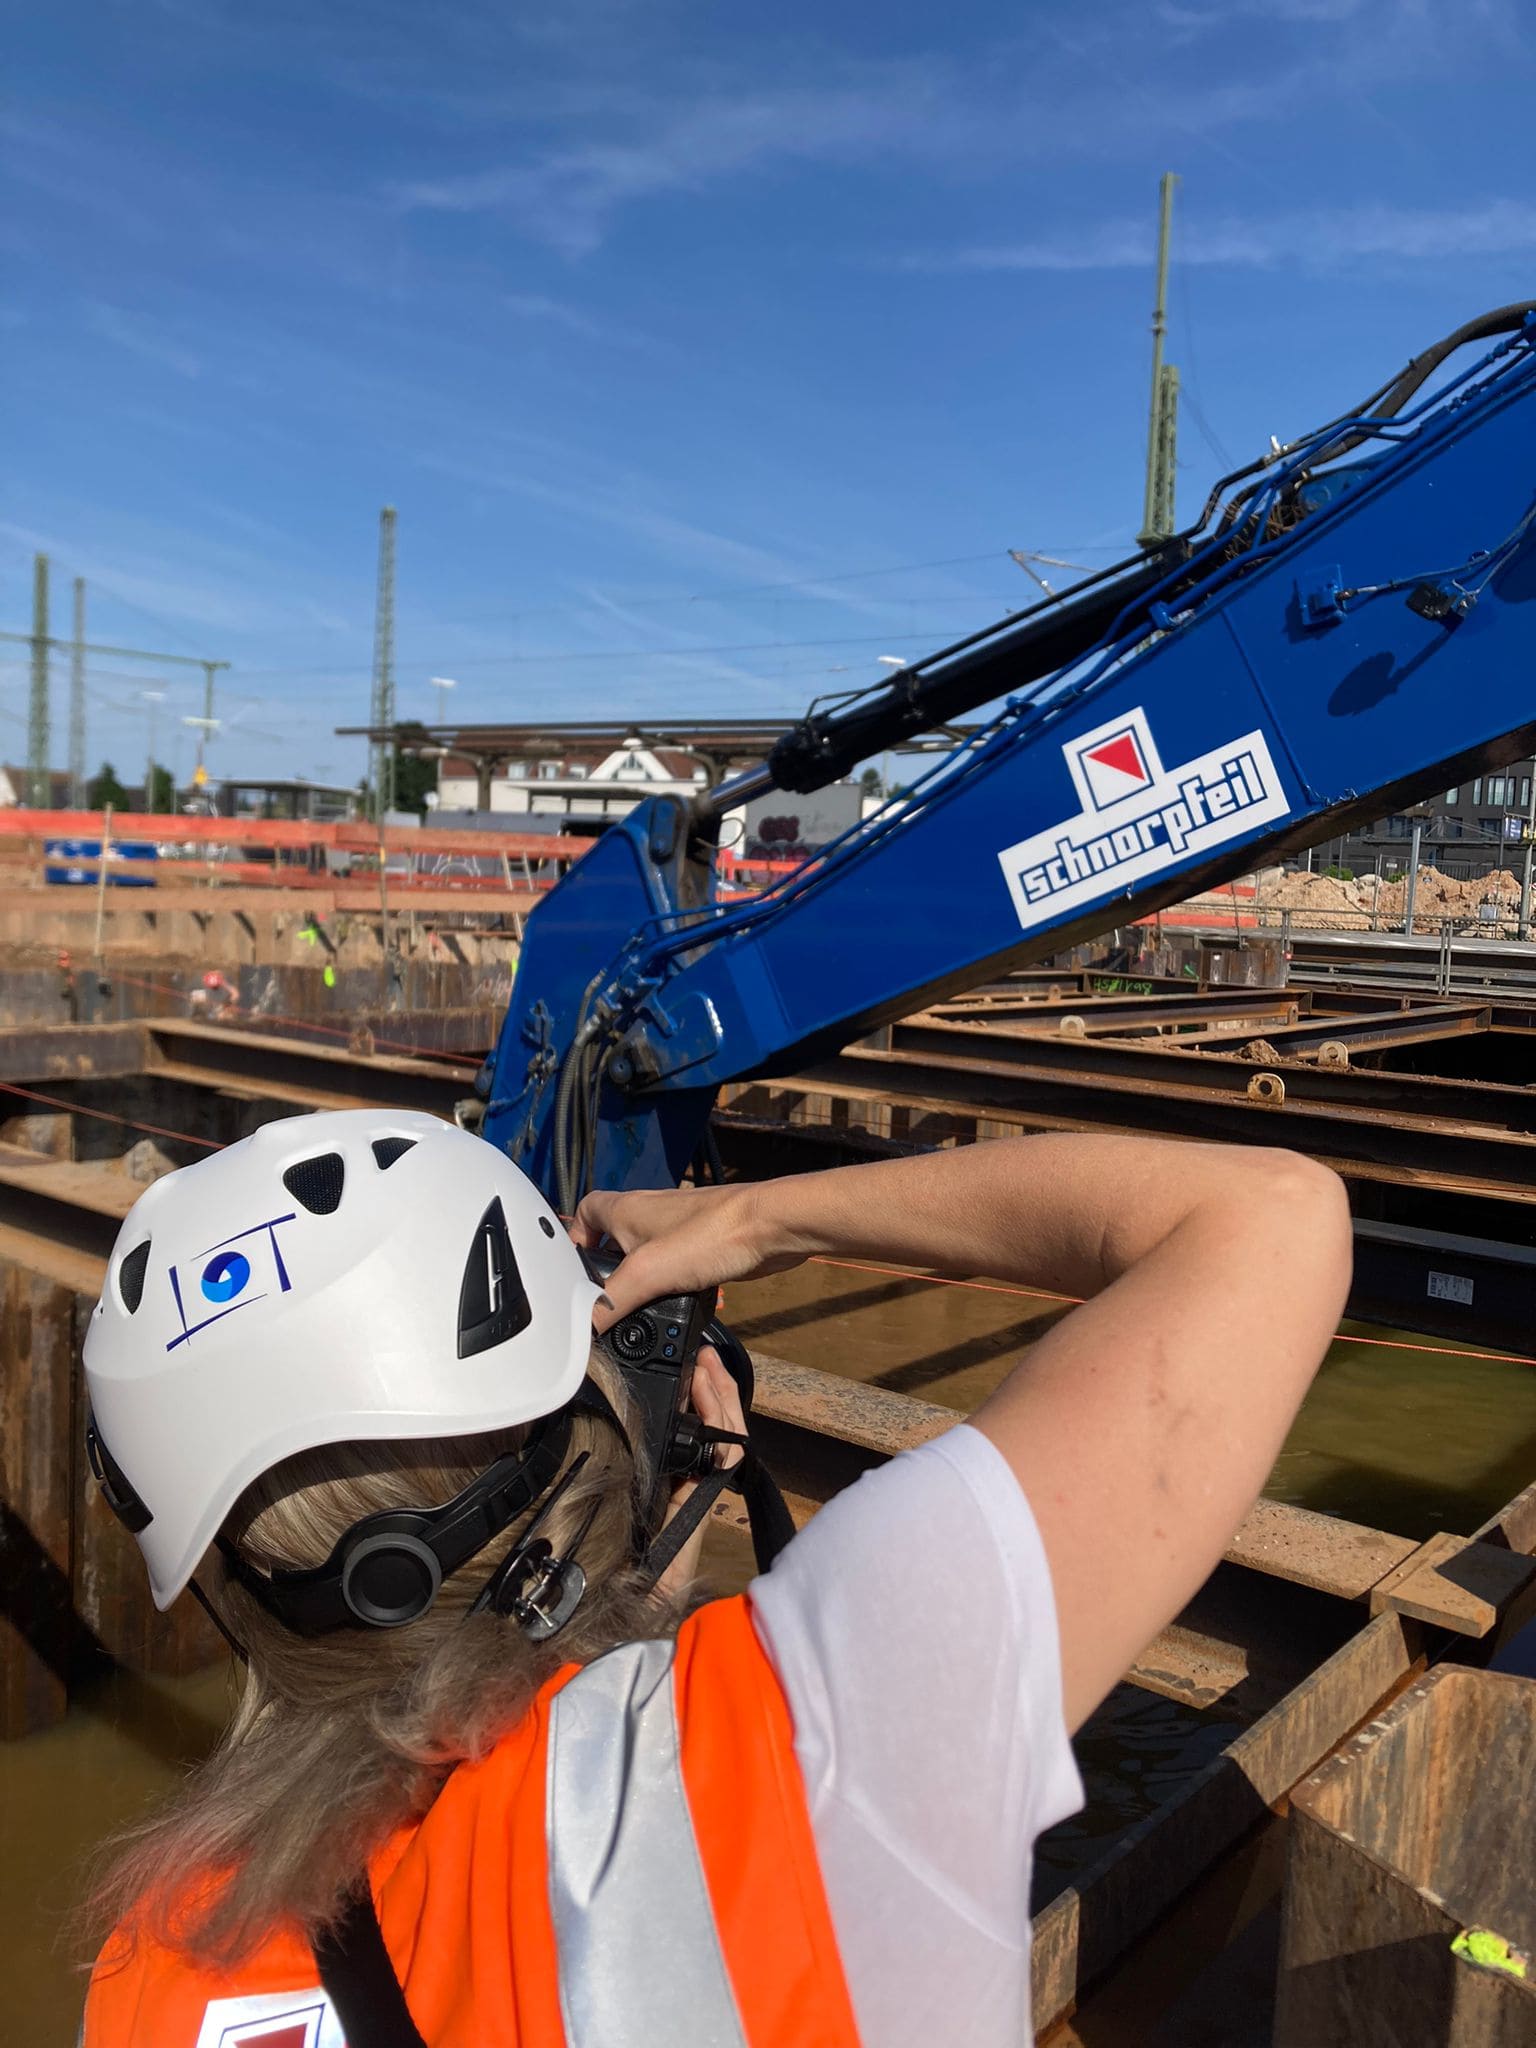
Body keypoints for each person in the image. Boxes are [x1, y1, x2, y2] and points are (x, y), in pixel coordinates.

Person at [79, 1106, 1350, 2048]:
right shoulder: (797, 1755)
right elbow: (1272, 1217)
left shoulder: (160, 1954)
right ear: (623, 1440)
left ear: (223, 1584)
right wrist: (756, 1216)